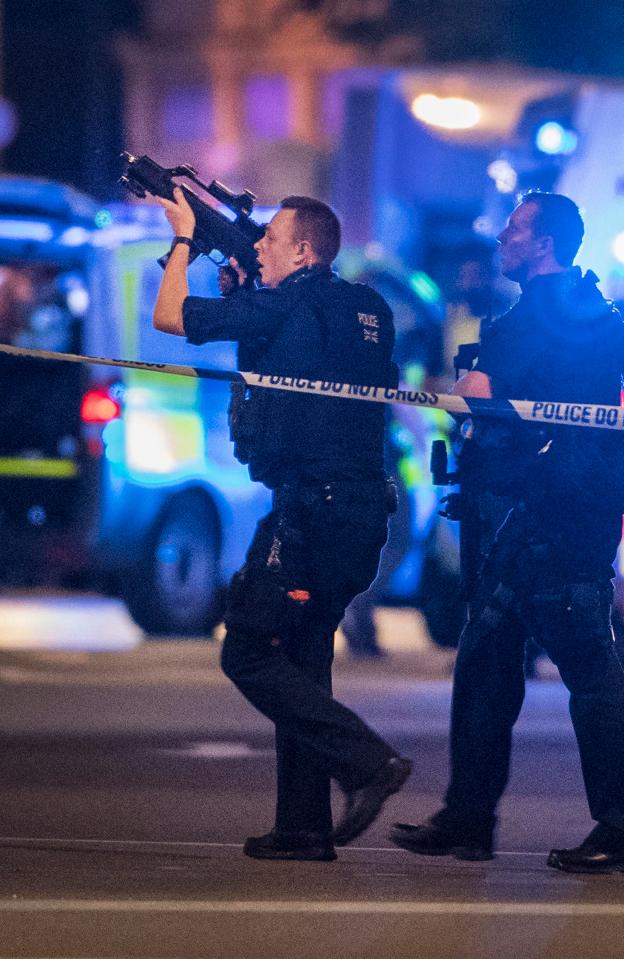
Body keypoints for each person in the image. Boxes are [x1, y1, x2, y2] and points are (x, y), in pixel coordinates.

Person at [390, 191, 624, 875]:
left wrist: (470, 382)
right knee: (484, 659)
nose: (500, 237)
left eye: (512, 227)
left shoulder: (534, 315)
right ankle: (468, 818)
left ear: (540, 243)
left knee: (588, 670)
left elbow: (480, 390)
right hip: (549, 513)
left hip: (548, 516)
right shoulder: (588, 308)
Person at [153, 188, 411, 862]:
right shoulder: (369, 307)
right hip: (358, 514)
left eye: (269, 237)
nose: (258, 244)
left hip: (309, 510)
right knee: (303, 656)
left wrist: (183, 238)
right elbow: (293, 359)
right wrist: (245, 293)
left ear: (302, 250)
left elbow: (168, 315)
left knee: (246, 648)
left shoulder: (286, 302)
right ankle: (303, 827)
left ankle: (365, 761)